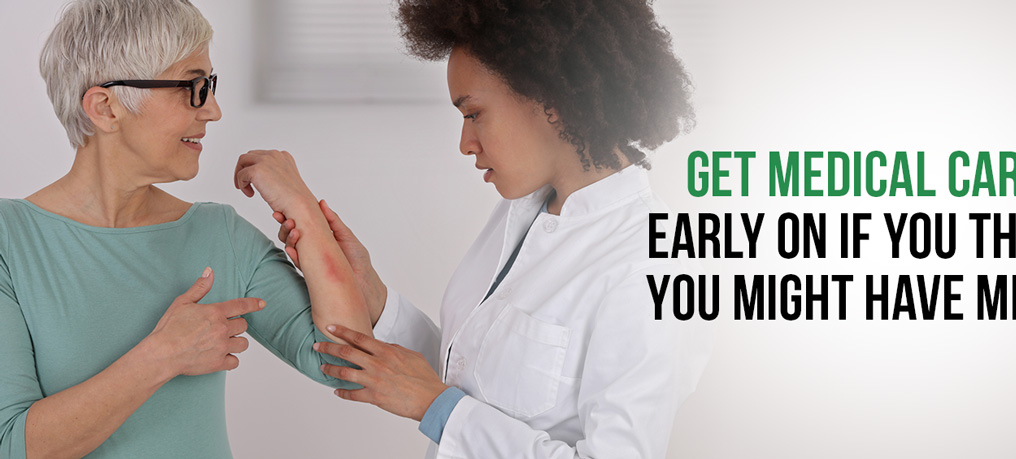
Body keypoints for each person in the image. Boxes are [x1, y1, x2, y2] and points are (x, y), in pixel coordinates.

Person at [239, 0, 711, 457]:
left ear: (552, 100)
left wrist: (437, 408)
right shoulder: (523, 212)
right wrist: (376, 298)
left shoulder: (652, 263)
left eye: (474, 114)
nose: (465, 143)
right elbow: (475, 377)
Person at [0, 1, 371, 458]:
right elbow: (11, 445)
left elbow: (347, 360)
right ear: (105, 108)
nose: (213, 110)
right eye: (193, 87)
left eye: (210, 85)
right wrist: (162, 357)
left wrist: (305, 213)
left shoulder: (220, 234)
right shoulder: (9, 241)